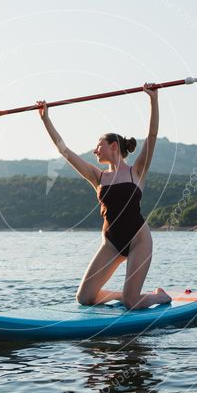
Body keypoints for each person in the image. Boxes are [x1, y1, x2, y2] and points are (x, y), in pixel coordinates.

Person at [37, 83, 171, 310]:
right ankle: (122, 294)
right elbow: (64, 151)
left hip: (138, 239)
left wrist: (153, 100)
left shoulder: (136, 171)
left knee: (132, 302)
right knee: (84, 297)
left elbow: (152, 135)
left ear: (114, 146)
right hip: (112, 242)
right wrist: (45, 120)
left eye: (99, 145)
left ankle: (160, 297)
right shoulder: (97, 177)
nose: (95, 150)